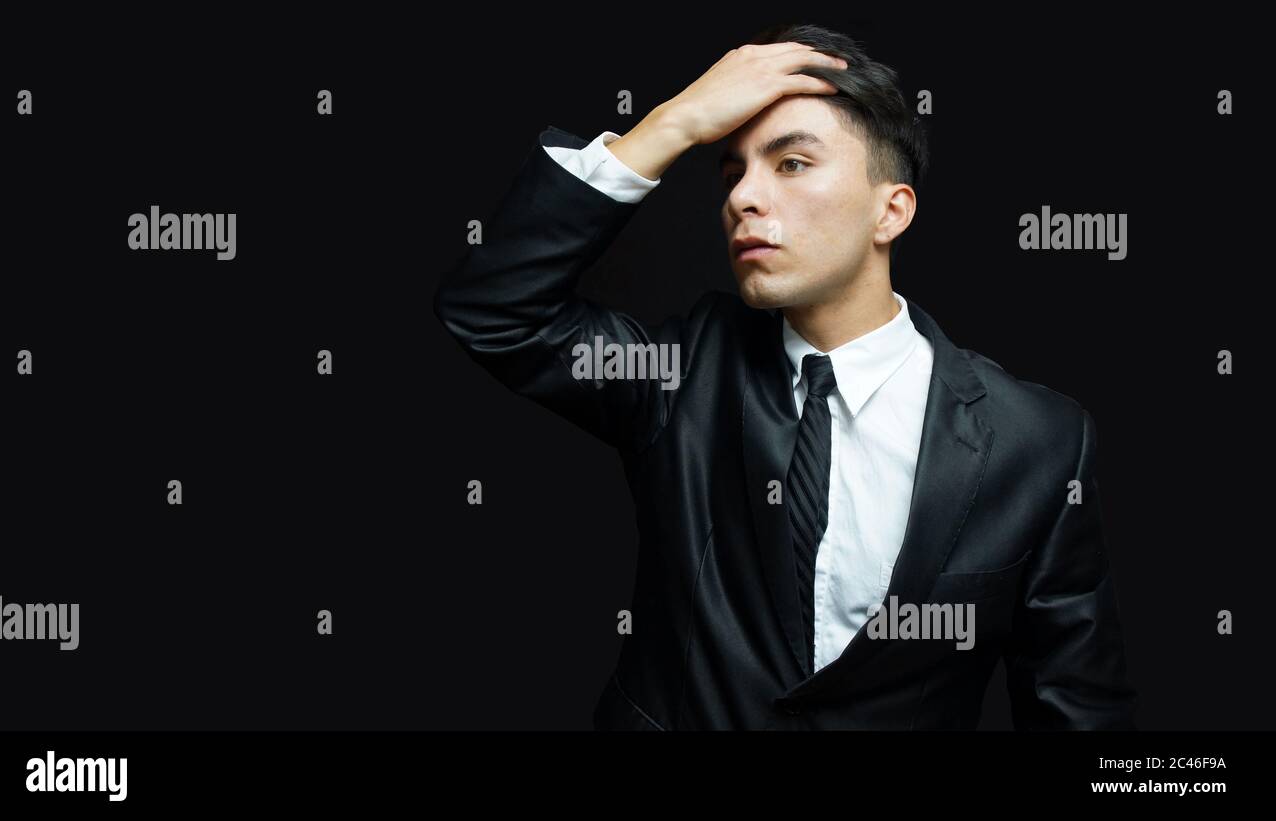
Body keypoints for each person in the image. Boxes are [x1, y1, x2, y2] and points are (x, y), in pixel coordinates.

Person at [434, 22, 1137, 730]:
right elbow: (494, 310)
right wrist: (673, 122)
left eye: (791, 163)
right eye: (733, 170)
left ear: (890, 211)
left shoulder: (1036, 442)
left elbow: (1081, 711)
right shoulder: (680, 377)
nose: (743, 197)